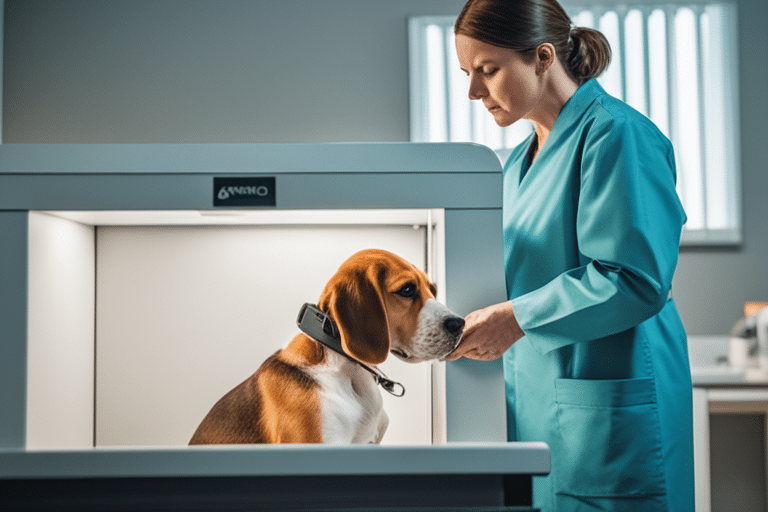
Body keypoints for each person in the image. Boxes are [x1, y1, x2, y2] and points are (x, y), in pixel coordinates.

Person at [445, 0, 694, 510]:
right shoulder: (517, 163)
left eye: (487, 70)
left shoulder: (617, 135)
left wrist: (516, 319)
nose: (473, 91)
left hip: (611, 406)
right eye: (468, 73)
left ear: (541, 57)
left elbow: (636, 278)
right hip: (541, 406)